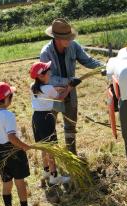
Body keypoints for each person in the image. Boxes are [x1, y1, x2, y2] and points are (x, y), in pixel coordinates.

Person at [40, 18, 104, 155]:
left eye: (70, 36)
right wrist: (68, 81)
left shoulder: (73, 46)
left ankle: (72, 154)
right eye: (66, 38)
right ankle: (53, 159)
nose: (69, 39)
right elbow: (49, 78)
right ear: (57, 38)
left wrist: (104, 67)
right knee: (50, 127)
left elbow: (88, 61)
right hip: (52, 96)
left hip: (70, 93)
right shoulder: (46, 53)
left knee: (70, 125)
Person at [0, 82, 34, 206]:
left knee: (6, 183)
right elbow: (11, 137)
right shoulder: (8, 115)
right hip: (13, 151)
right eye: (11, 96)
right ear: (6, 99)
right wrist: (24, 146)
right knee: (20, 181)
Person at [30, 61, 80, 185]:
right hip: (46, 119)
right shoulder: (48, 88)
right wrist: (69, 87)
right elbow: (61, 97)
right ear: (41, 76)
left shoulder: (33, 86)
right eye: (48, 71)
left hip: (36, 118)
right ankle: (54, 176)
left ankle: (46, 171)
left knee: (43, 146)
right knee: (52, 148)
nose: (50, 73)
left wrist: (57, 88)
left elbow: (50, 91)